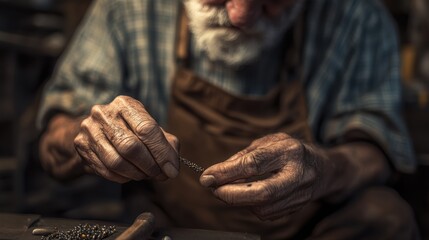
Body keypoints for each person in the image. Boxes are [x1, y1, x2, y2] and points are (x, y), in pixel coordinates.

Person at [37, 0, 420, 239]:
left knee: (386, 215)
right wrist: (84, 136)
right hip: (169, 227)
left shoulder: (356, 16)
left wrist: (326, 168)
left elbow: (379, 149)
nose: (240, 14)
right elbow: (54, 144)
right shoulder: (127, 8)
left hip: (312, 228)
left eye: (272, 1)